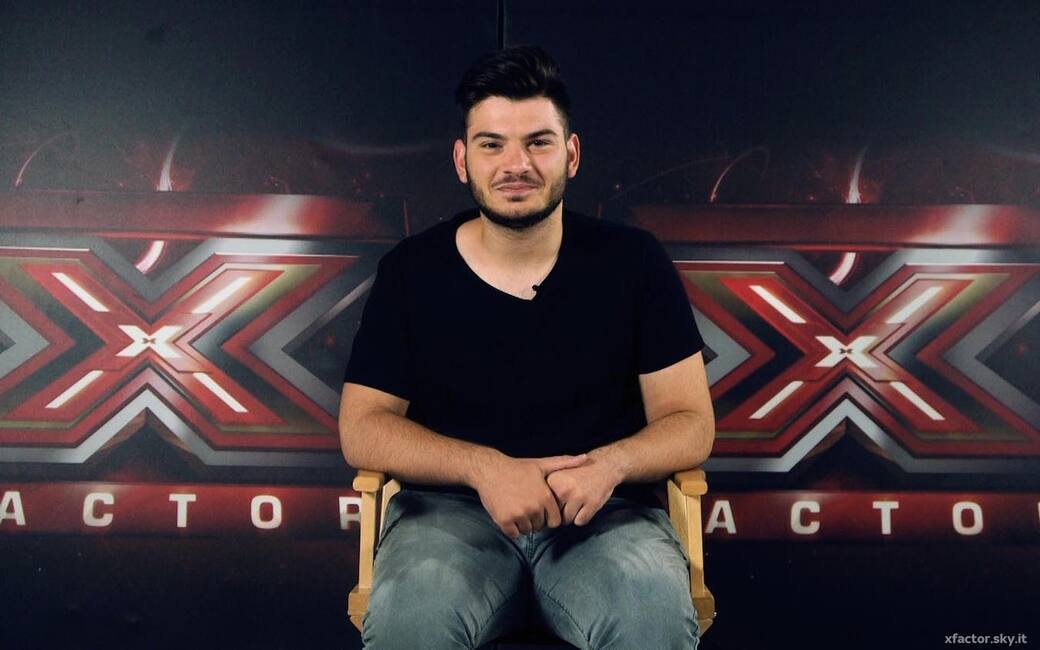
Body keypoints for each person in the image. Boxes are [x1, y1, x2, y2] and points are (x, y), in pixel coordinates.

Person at [340, 45, 714, 650]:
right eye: (492, 144)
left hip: (604, 516)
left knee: (649, 614)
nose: (516, 164)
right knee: (414, 618)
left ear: (572, 154)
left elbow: (691, 422)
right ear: (462, 160)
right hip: (449, 519)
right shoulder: (411, 272)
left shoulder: (634, 262)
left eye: (538, 142)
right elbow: (362, 427)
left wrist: (610, 465)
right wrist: (485, 469)